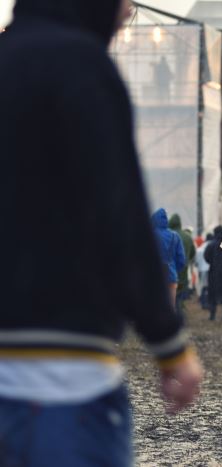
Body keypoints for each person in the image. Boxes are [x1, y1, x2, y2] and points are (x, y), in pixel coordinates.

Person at [0, 0, 203, 464]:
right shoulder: (82, 67)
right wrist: (169, 345)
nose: (127, 12)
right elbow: (118, 214)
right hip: (64, 379)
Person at [152, 208, 186, 307]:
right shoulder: (175, 236)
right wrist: (174, 269)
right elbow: (181, 260)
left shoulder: (149, 235)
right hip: (171, 275)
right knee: (170, 307)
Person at [169, 213, 196, 315]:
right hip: (183, 271)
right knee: (180, 293)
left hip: (170, 270)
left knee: (171, 292)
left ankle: (173, 312)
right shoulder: (188, 237)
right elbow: (193, 253)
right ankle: (179, 312)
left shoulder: (169, 234)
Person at [204, 226, 222, 321]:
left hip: (213, 273)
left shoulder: (211, 244)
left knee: (212, 294)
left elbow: (206, 257)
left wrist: (212, 263)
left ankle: (212, 316)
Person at [195, 233, 213, 307]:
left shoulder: (199, 249)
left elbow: (196, 263)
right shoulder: (211, 246)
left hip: (201, 269)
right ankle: (208, 303)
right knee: (209, 287)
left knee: (203, 286)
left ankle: (203, 302)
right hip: (209, 269)